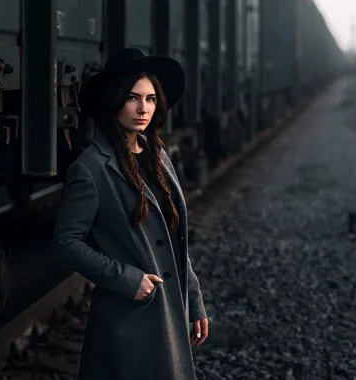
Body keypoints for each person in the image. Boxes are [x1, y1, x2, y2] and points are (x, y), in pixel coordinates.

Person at [53, 48, 209, 380]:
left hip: (171, 311)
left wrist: (194, 302)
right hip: (128, 317)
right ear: (114, 101)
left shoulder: (158, 157)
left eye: (151, 99)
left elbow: (174, 240)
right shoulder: (91, 168)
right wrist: (125, 278)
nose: (143, 109)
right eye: (133, 98)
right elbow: (66, 241)